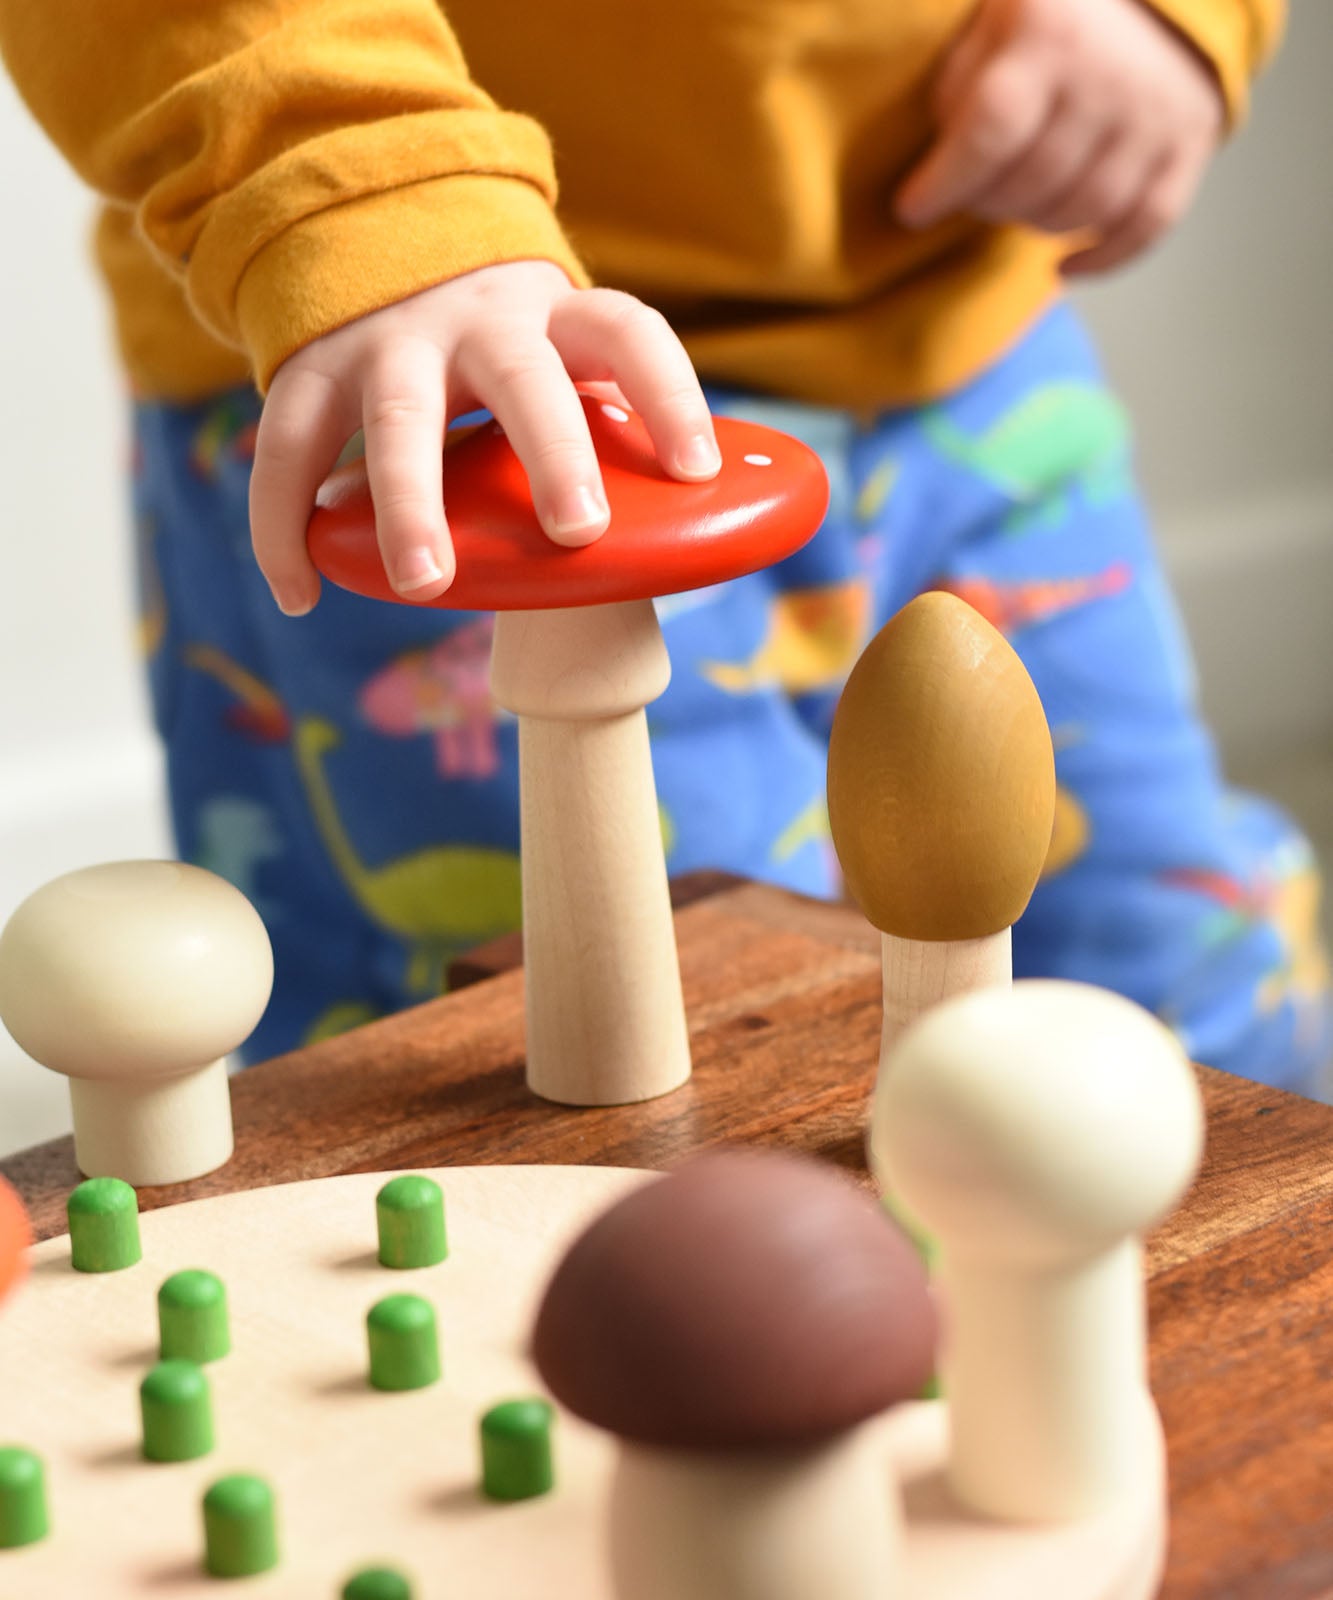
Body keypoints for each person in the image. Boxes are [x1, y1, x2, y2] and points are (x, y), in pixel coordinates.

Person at [1, 0, 1326, 1089]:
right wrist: (350, 182)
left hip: (973, 337)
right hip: (440, 369)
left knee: (1170, 960)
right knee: (613, 1065)